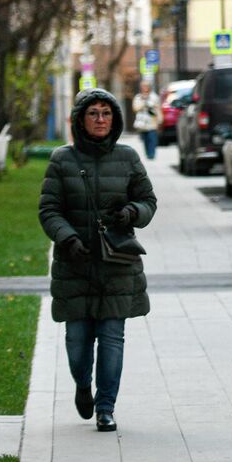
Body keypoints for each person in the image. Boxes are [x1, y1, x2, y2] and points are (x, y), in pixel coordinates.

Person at [39, 88, 157, 433]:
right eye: (94, 114)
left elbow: (148, 200)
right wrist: (67, 237)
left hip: (117, 264)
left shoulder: (129, 157)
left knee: (111, 338)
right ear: (80, 119)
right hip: (74, 265)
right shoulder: (62, 160)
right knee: (77, 344)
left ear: (115, 119)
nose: (100, 119)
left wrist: (132, 212)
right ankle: (81, 385)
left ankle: (106, 407)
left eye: (106, 113)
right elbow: (49, 209)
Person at [131, 82, 160, 160]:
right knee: (145, 139)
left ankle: (152, 154)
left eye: (146, 86)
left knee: (152, 138)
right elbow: (135, 108)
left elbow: (158, 109)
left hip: (152, 121)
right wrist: (144, 104)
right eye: (143, 86)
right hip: (142, 122)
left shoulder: (154, 97)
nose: (145, 88)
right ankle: (148, 153)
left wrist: (159, 120)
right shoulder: (138, 97)